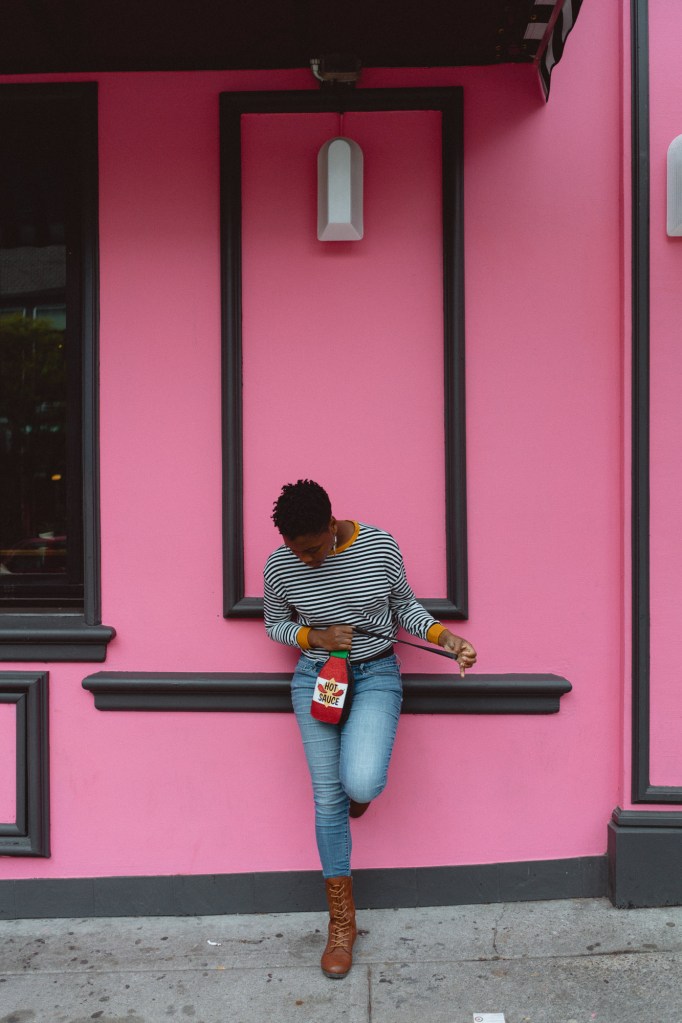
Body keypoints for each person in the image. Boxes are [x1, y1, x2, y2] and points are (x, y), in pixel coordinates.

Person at [263, 479, 477, 979]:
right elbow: (275, 624)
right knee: (327, 800)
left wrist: (448, 640)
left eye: (313, 550)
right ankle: (342, 926)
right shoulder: (280, 564)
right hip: (316, 679)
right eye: (296, 551)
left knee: (359, 781)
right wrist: (311, 633)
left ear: (331, 524)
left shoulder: (379, 546)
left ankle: (355, 789)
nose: (306, 560)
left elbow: (405, 608)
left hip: (377, 672)